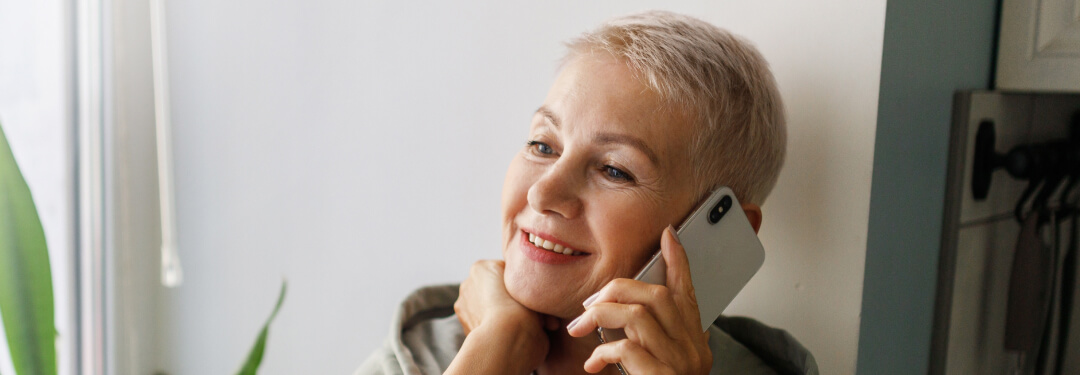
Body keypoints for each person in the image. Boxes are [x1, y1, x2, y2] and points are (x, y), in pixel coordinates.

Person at [357, 10, 817, 375]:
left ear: (722, 231)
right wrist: (492, 354)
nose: (543, 192)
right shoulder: (420, 358)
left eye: (615, 170)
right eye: (542, 144)